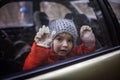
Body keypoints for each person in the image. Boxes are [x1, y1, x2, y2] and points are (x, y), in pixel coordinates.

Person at [23, 19, 96, 70]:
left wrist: (89, 43)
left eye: (70, 40)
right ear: (50, 40)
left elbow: (85, 54)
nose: (65, 45)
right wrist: (40, 49)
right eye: (59, 39)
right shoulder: (44, 57)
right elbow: (28, 69)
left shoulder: (73, 52)